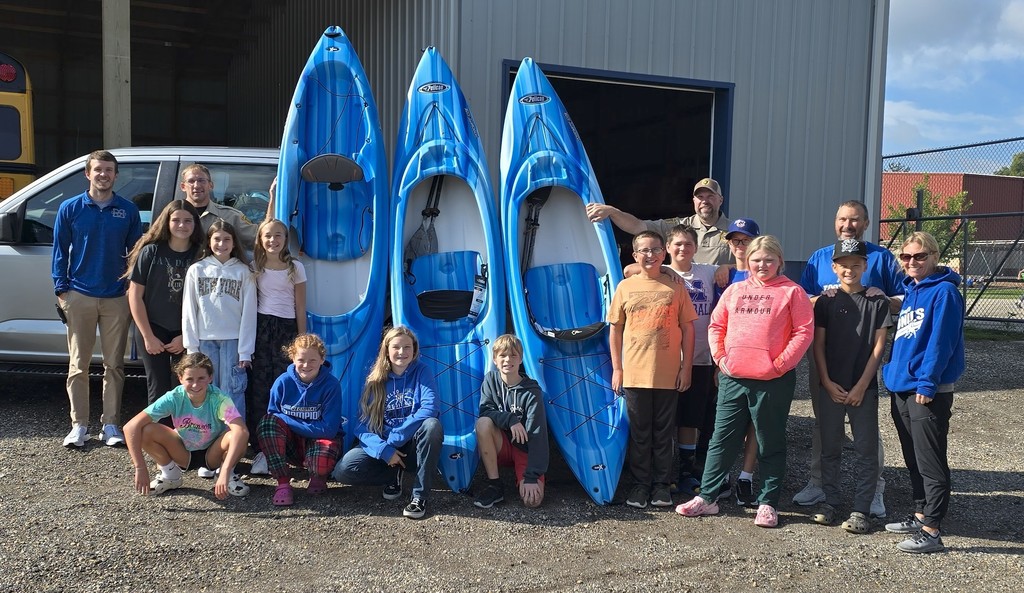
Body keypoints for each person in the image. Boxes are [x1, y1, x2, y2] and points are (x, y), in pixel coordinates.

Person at [676, 235, 813, 528]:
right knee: (720, 439)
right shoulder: (735, 290)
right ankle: (708, 497)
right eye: (756, 259)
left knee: (769, 441)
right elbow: (717, 325)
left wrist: (780, 365)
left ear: (780, 261)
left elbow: (803, 332)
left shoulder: (792, 292)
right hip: (733, 377)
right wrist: (721, 358)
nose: (762, 265)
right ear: (748, 261)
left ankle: (768, 503)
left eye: (768, 259)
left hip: (772, 380)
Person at [793, 200, 905, 519]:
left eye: (854, 220)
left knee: (865, 429)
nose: (847, 224)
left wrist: (880, 299)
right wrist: (824, 299)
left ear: (866, 223)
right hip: (826, 354)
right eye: (842, 219)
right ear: (835, 221)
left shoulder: (881, 258)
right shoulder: (819, 257)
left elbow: (904, 295)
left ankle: (874, 488)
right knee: (824, 423)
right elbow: (803, 299)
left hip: (863, 355)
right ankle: (820, 484)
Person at [53, 150, 143, 448]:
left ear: (116, 175)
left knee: (114, 365)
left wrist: (131, 287)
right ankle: (78, 425)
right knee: (78, 365)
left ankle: (111, 424)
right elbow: (59, 250)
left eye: (109, 170)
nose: (103, 174)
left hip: (116, 297)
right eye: (98, 170)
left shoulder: (127, 210)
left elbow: (135, 255)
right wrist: (61, 288)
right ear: (87, 174)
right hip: (79, 294)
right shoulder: (70, 208)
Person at [882, 232, 965, 554]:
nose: (912, 262)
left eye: (919, 256)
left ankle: (932, 529)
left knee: (930, 459)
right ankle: (920, 513)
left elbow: (940, 343)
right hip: (901, 386)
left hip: (925, 389)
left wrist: (928, 382)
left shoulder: (944, 293)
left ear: (934, 256)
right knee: (912, 456)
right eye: (906, 257)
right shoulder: (912, 291)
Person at [609, 230, 697, 509]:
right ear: (635, 256)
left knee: (663, 432)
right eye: (644, 251)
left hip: (668, 374)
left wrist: (687, 367)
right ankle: (639, 485)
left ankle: (661, 485)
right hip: (635, 374)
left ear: (664, 253)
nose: (650, 255)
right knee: (639, 432)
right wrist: (617, 369)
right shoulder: (625, 288)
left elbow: (688, 328)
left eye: (655, 250)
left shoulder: (675, 286)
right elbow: (615, 330)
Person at [810, 238, 893, 534]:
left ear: (865, 266)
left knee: (865, 450)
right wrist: (827, 382)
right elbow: (818, 346)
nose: (849, 270)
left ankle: (861, 509)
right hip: (831, 386)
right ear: (833, 267)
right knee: (830, 447)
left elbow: (878, 348)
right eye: (843, 265)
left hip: (863, 389)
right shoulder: (826, 302)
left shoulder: (877, 301)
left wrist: (862, 385)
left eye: (856, 265)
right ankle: (830, 501)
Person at [331, 326, 443, 520]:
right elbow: (362, 425)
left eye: (407, 347)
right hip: (386, 445)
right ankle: (392, 474)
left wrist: (397, 437)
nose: (402, 352)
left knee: (432, 425)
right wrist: (384, 450)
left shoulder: (422, 371)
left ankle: (419, 496)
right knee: (343, 471)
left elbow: (430, 407)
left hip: (411, 443)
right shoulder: (376, 380)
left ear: (414, 350)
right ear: (387, 350)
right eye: (396, 347)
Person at [123, 352, 250, 498]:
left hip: (213, 454)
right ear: (180, 379)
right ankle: (170, 475)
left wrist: (225, 470)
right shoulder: (174, 397)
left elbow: (241, 431)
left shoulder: (219, 399)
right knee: (146, 429)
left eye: (201, 378)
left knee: (238, 435)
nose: (195, 385)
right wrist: (140, 467)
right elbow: (130, 427)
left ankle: (225, 475)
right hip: (183, 452)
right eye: (190, 379)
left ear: (210, 377)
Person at [705, 218, 763, 507]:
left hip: (760, 362)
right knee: (726, 422)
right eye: (735, 241)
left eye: (746, 240)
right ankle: (723, 476)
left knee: (754, 421)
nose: (740, 246)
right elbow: (719, 322)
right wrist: (719, 361)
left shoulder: (766, 275)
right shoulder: (723, 277)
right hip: (730, 361)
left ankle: (746, 476)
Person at [125, 200, 205, 404]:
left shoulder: (201, 254)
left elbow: (206, 301)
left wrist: (185, 337)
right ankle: (158, 434)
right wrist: (148, 336)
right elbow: (134, 295)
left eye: (188, 221)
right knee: (158, 388)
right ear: (166, 222)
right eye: (176, 220)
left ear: (195, 224)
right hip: (153, 329)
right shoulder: (151, 252)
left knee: (186, 388)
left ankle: (184, 433)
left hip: (187, 331)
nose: (182, 225)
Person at [182, 219, 257, 426]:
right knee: (205, 391)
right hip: (204, 342)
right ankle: (206, 437)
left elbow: (249, 314)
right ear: (209, 242)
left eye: (227, 239)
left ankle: (234, 439)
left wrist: (245, 351)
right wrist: (191, 348)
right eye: (217, 239)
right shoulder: (197, 270)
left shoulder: (243, 272)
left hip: (234, 342)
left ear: (234, 243)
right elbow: (189, 310)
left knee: (232, 391)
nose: (221, 244)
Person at [248, 218, 307, 475]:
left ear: (286, 238)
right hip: (261, 329)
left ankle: (286, 448)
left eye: (278, 235)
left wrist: (302, 341)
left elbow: (300, 307)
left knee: (284, 388)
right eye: (268, 236)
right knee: (260, 389)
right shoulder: (254, 267)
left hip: (287, 330)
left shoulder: (296, 268)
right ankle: (261, 449)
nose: (273, 240)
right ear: (260, 239)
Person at [257, 333, 344, 506]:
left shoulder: (331, 385)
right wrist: (287, 422)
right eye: (301, 360)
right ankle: (282, 482)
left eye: (312, 360)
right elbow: (273, 420)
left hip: (319, 441)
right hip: (292, 444)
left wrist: (287, 420)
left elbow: (329, 429)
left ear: (322, 359)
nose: (306, 365)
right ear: (292, 359)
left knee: (323, 457)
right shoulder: (282, 382)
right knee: (266, 425)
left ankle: (318, 476)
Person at [473, 334, 549, 509]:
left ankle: (524, 477)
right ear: (494, 359)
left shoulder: (532, 391)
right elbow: (486, 410)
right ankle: (495, 485)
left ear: (521, 359)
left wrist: (531, 477)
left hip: (525, 448)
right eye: (503, 355)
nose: (508, 360)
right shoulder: (490, 380)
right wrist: (511, 420)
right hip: (502, 444)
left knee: (533, 501)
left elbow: (538, 436)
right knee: (483, 423)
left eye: (513, 355)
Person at [586, 178, 733, 265]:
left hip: (720, 302)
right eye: (700, 197)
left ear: (721, 199)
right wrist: (612, 212)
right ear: (694, 201)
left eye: (710, 196)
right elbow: (638, 226)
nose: (704, 201)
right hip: (684, 301)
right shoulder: (679, 227)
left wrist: (726, 268)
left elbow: (749, 264)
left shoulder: (734, 231)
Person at [179, 163, 258, 248]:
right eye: (191, 181)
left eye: (201, 180)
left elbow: (260, 238)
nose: (197, 185)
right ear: (183, 186)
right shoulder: (172, 216)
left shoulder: (231, 216)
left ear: (211, 185)